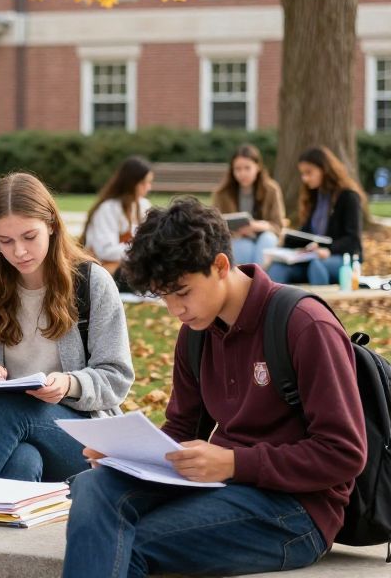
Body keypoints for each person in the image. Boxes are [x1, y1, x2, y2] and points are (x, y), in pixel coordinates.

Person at [62, 198, 366, 578]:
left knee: (125, 543)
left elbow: (345, 453)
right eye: (164, 296)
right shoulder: (195, 334)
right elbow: (180, 430)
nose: (175, 310)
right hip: (220, 486)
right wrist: (124, 455)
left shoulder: (304, 325)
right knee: (94, 487)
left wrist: (235, 463)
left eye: (182, 292)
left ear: (220, 266)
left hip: (296, 512)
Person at [0, 172, 133, 489]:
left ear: (52, 226)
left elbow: (117, 376)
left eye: (29, 237)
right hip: (4, 433)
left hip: (79, 437)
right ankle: (14, 507)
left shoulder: (91, 283)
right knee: (23, 462)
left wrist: (71, 383)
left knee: (12, 407)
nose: (19, 251)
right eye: (6, 241)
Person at [266, 145, 365, 286]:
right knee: (278, 267)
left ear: (324, 170)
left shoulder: (348, 197)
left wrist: (328, 250)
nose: (305, 178)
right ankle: (270, 307)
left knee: (317, 265)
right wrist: (286, 243)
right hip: (313, 256)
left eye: (309, 172)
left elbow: (353, 240)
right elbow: (308, 234)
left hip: (342, 259)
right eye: (302, 174)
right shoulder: (314, 196)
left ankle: (317, 307)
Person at [82, 156, 154, 281]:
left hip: (131, 269)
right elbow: (105, 251)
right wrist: (141, 249)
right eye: (144, 183)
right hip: (105, 273)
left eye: (149, 182)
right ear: (131, 183)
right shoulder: (108, 209)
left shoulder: (144, 205)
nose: (148, 187)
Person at [212, 144, 285, 266]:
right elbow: (215, 227)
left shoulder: (271, 190)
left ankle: (258, 282)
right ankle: (248, 281)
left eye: (247, 168)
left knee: (268, 240)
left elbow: (278, 226)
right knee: (244, 247)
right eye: (238, 169)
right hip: (237, 239)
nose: (242, 173)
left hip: (264, 235)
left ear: (258, 167)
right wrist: (236, 232)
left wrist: (257, 226)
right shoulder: (222, 193)